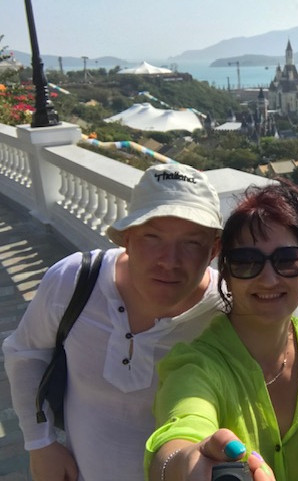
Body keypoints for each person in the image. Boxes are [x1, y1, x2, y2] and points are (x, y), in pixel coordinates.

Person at [3, 163, 226, 481]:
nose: (169, 261)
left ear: (213, 250)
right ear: (127, 238)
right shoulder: (75, 281)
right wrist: (40, 443)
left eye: (191, 243)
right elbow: (25, 353)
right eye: (152, 237)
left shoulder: (228, 310)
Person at [145, 179, 298, 481]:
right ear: (226, 273)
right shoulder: (196, 365)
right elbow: (183, 427)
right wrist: (186, 462)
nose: (268, 279)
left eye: (287, 260)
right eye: (246, 262)